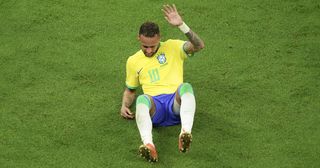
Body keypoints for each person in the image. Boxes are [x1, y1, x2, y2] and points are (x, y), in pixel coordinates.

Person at [120, 4, 204, 162]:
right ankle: (149, 145)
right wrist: (124, 105)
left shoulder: (173, 46)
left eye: (153, 46)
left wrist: (182, 25)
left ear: (159, 39)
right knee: (141, 99)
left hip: (176, 104)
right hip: (155, 109)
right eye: (145, 46)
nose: (149, 51)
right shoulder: (133, 61)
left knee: (186, 87)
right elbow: (130, 90)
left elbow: (199, 46)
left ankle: (185, 132)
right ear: (139, 38)